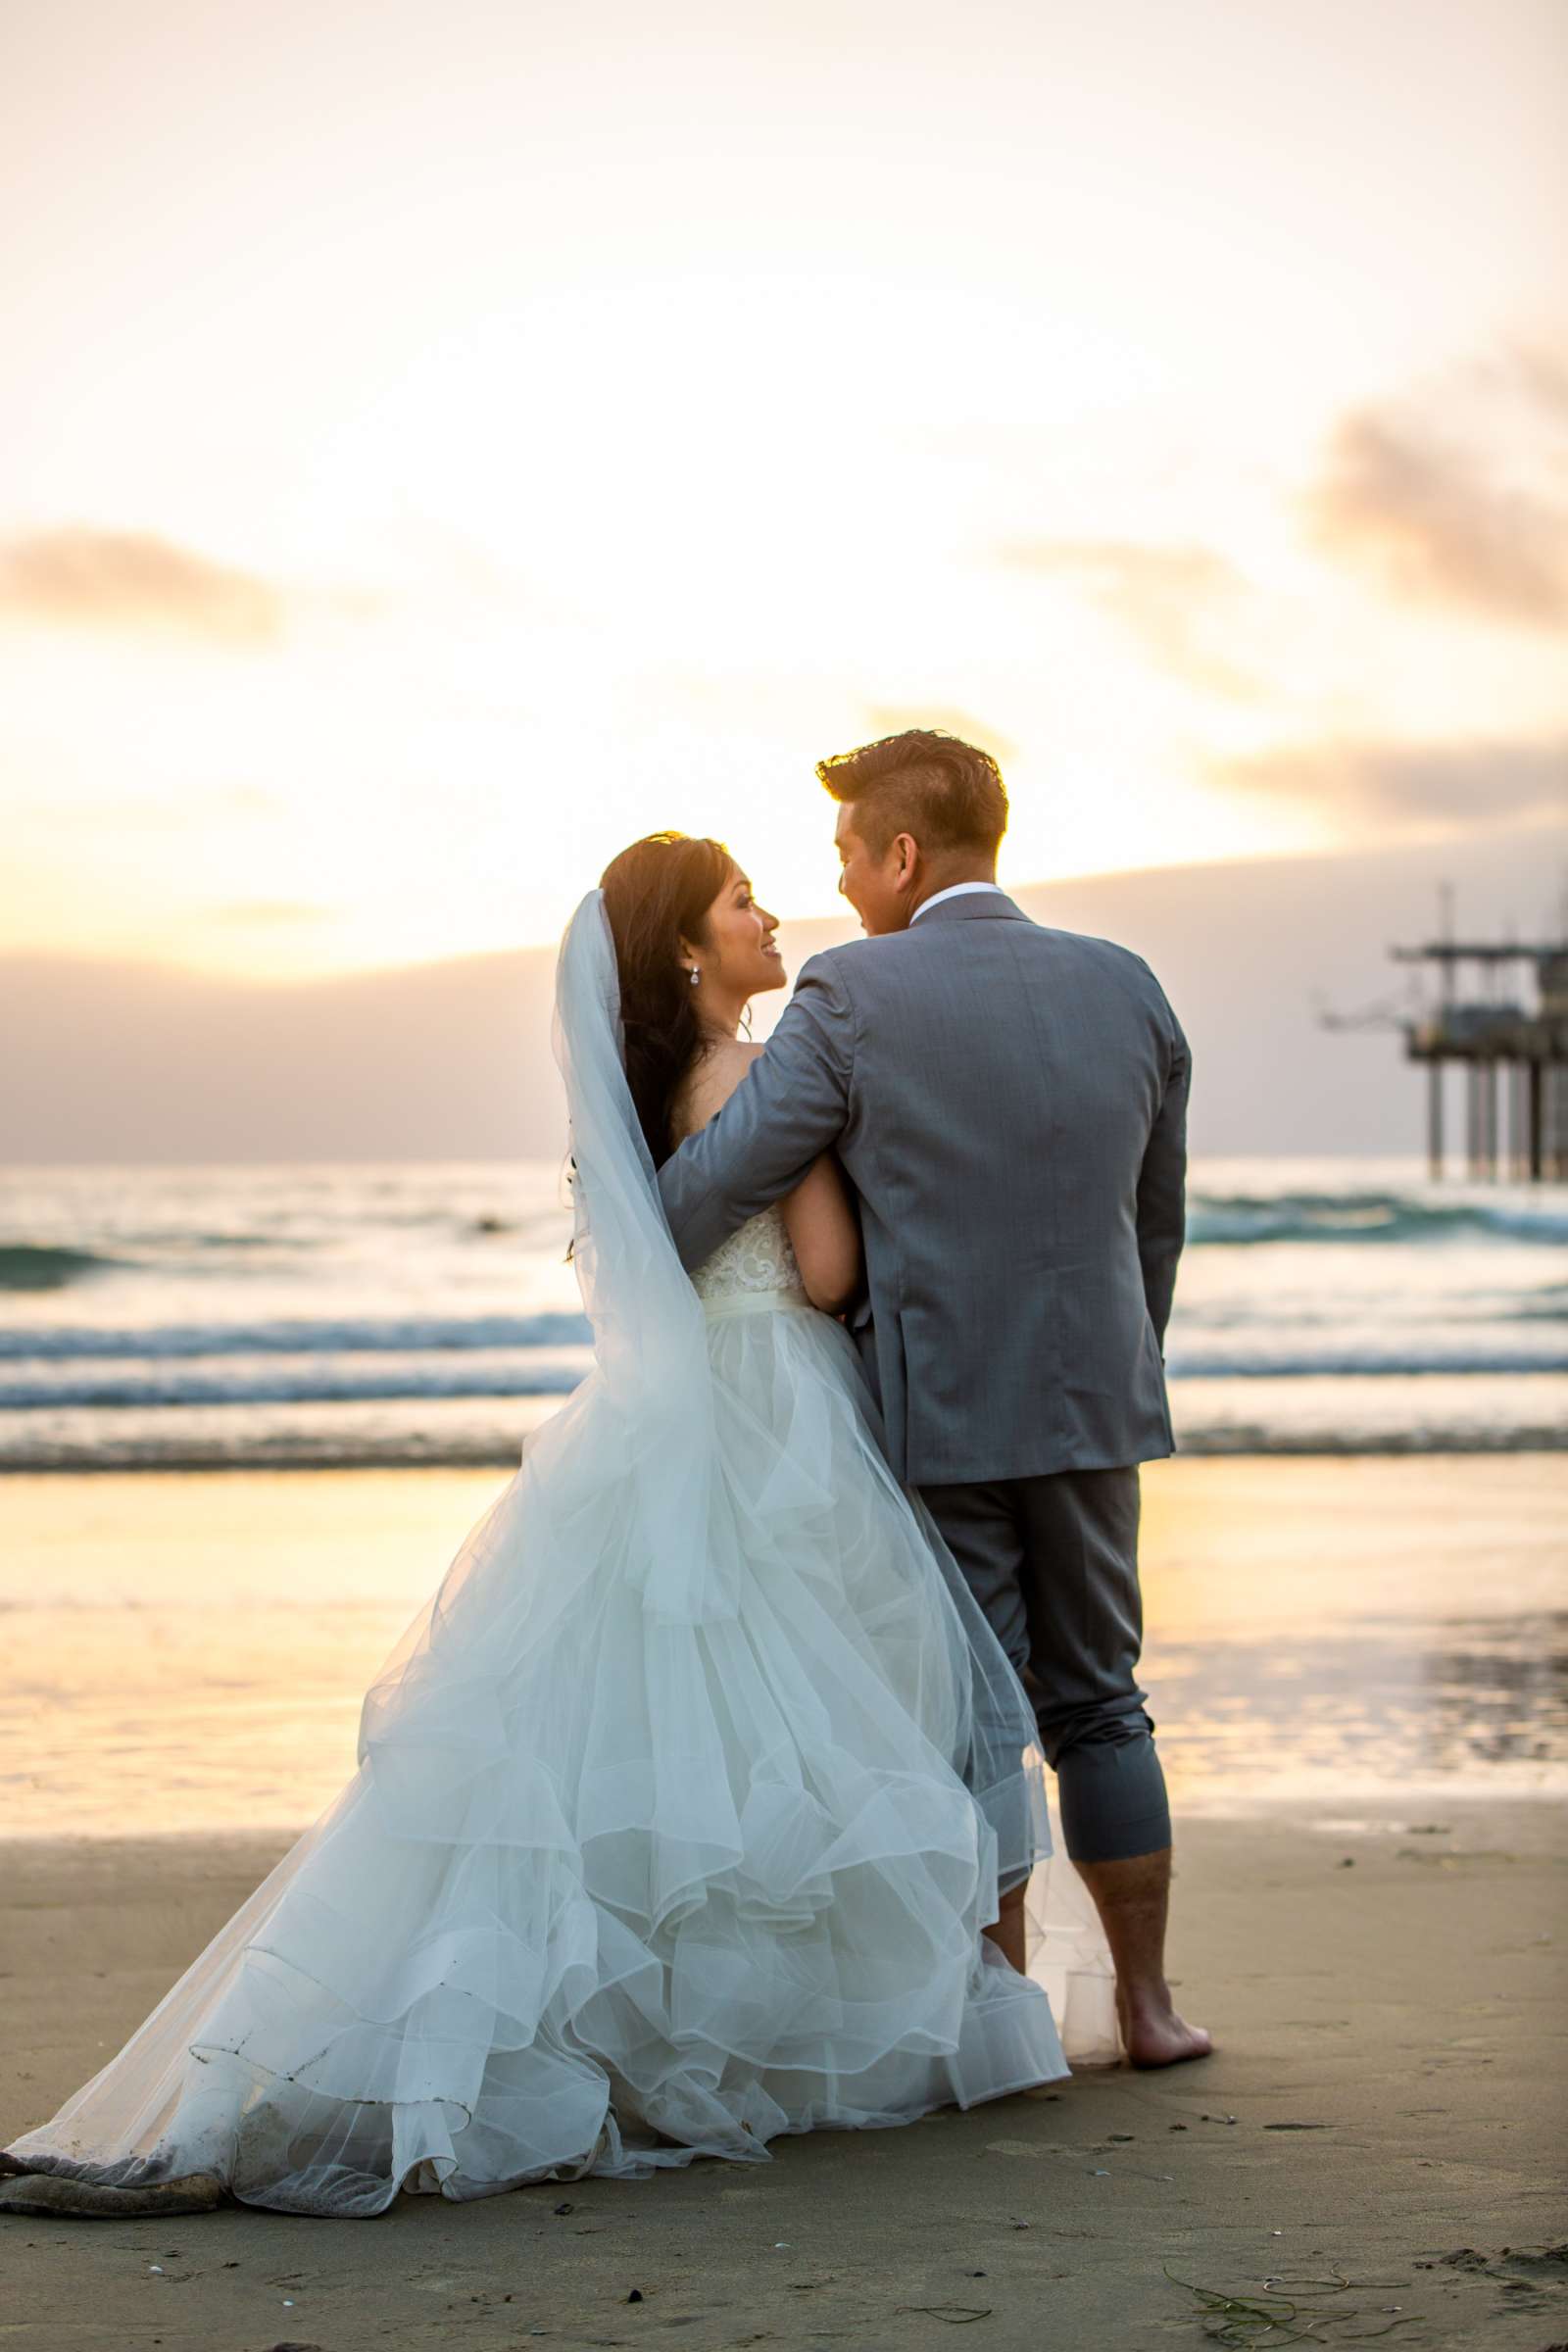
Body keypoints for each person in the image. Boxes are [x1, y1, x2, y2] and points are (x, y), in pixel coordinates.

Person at [0, 831, 1085, 2223]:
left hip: (683, 1403)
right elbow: (824, 1272)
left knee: (639, 1733)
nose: (771, 918)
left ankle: (290, 2085)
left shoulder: (641, 1103)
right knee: (783, 1741)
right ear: (690, 950)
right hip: (780, 1408)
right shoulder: (755, 1076)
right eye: (743, 902)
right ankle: (731, 2045)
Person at [657, 731, 1210, 2070]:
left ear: (902, 854)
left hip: (938, 1409)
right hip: (1093, 1404)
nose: (837, 890)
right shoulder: (1128, 986)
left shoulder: (851, 994)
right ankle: (1147, 2010)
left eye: (848, 856)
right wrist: (1115, 1368)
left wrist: (623, 1207)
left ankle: (1001, 2013)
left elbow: (731, 1176)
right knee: (1105, 1699)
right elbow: (1155, 1228)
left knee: (977, 1711)